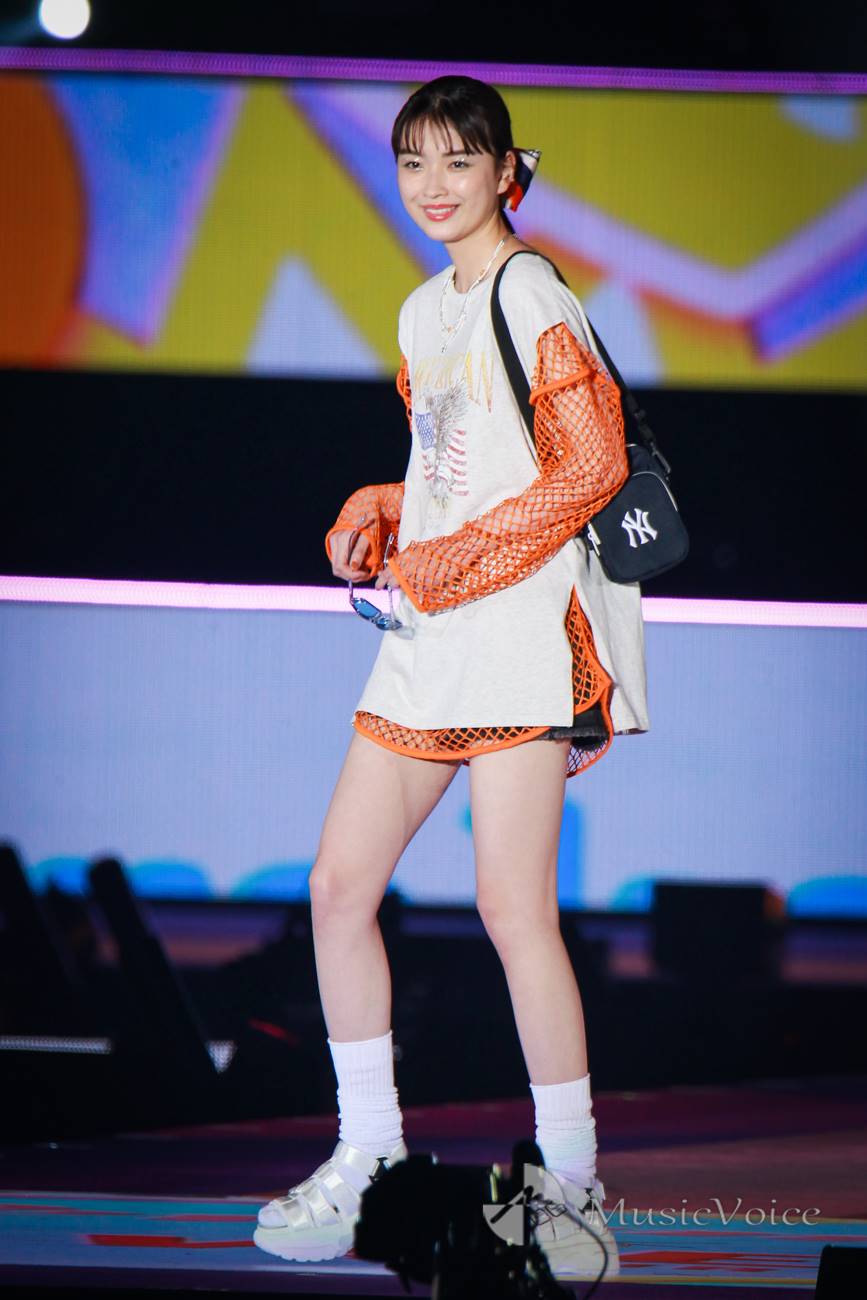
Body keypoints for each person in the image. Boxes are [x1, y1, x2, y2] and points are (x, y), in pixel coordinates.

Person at [253, 74, 648, 1280]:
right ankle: (368, 1152)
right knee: (338, 887)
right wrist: (379, 507)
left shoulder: (532, 293)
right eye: (413, 161)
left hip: (518, 637)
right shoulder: (425, 306)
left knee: (514, 911)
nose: (433, 185)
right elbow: (453, 465)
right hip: (430, 639)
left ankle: (573, 1190)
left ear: (505, 171)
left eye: (458, 161)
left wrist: (452, 558)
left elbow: (590, 468)